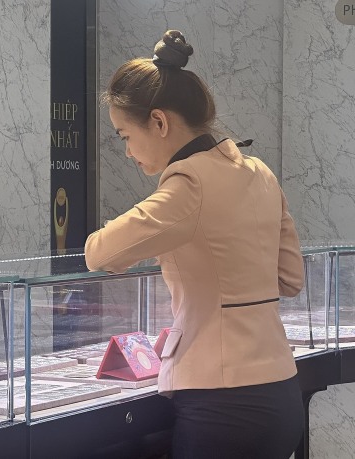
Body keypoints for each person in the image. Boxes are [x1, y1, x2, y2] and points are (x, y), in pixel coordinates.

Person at [84, 31, 305, 459]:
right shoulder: (260, 172)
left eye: (124, 135)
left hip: (223, 405)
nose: (127, 152)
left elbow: (101, 253)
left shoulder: (188, 184)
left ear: (160, 122)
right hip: (281, 392)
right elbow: (290, 277)